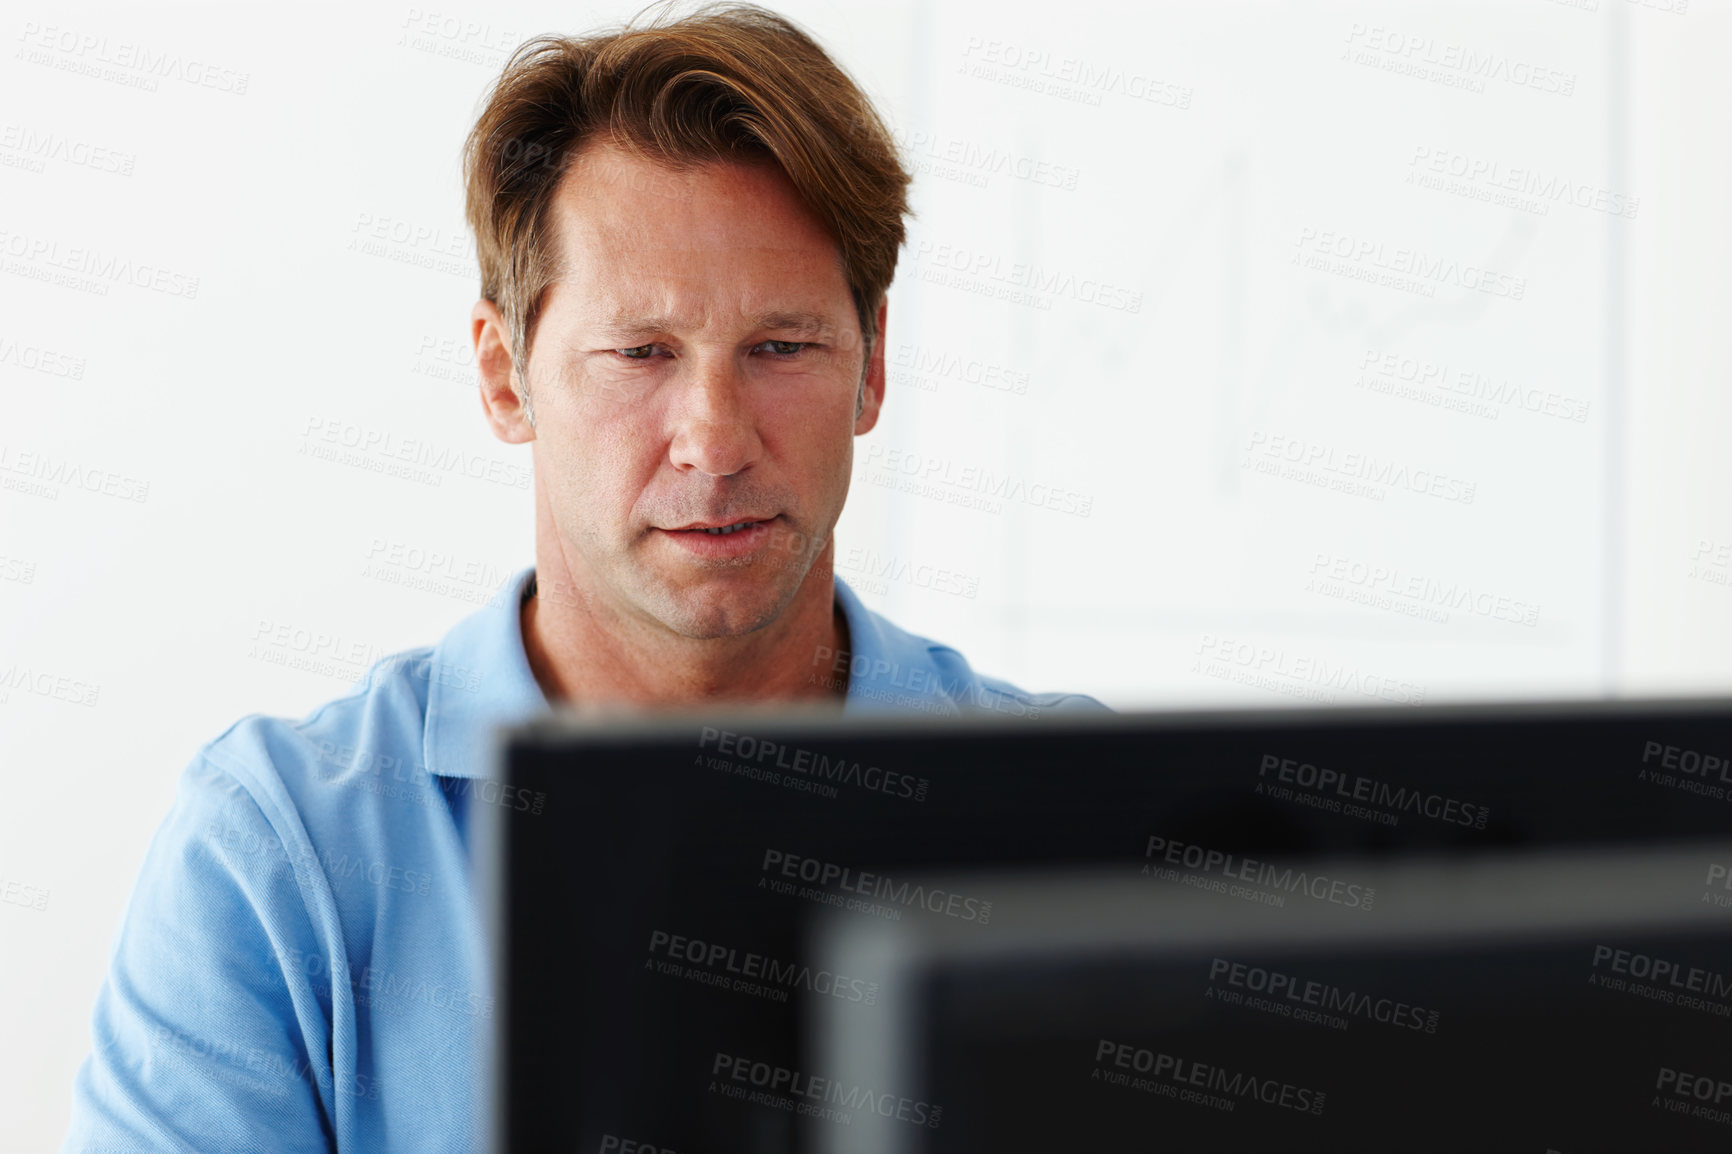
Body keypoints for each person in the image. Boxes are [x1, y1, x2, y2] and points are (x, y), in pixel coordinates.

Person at [61, 4, 1106, 1150]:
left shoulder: (1082, 825)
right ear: (507, 378)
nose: (713, 438)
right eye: (641, 352)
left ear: (872, 370)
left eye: (782, 346)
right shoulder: (277, 857)